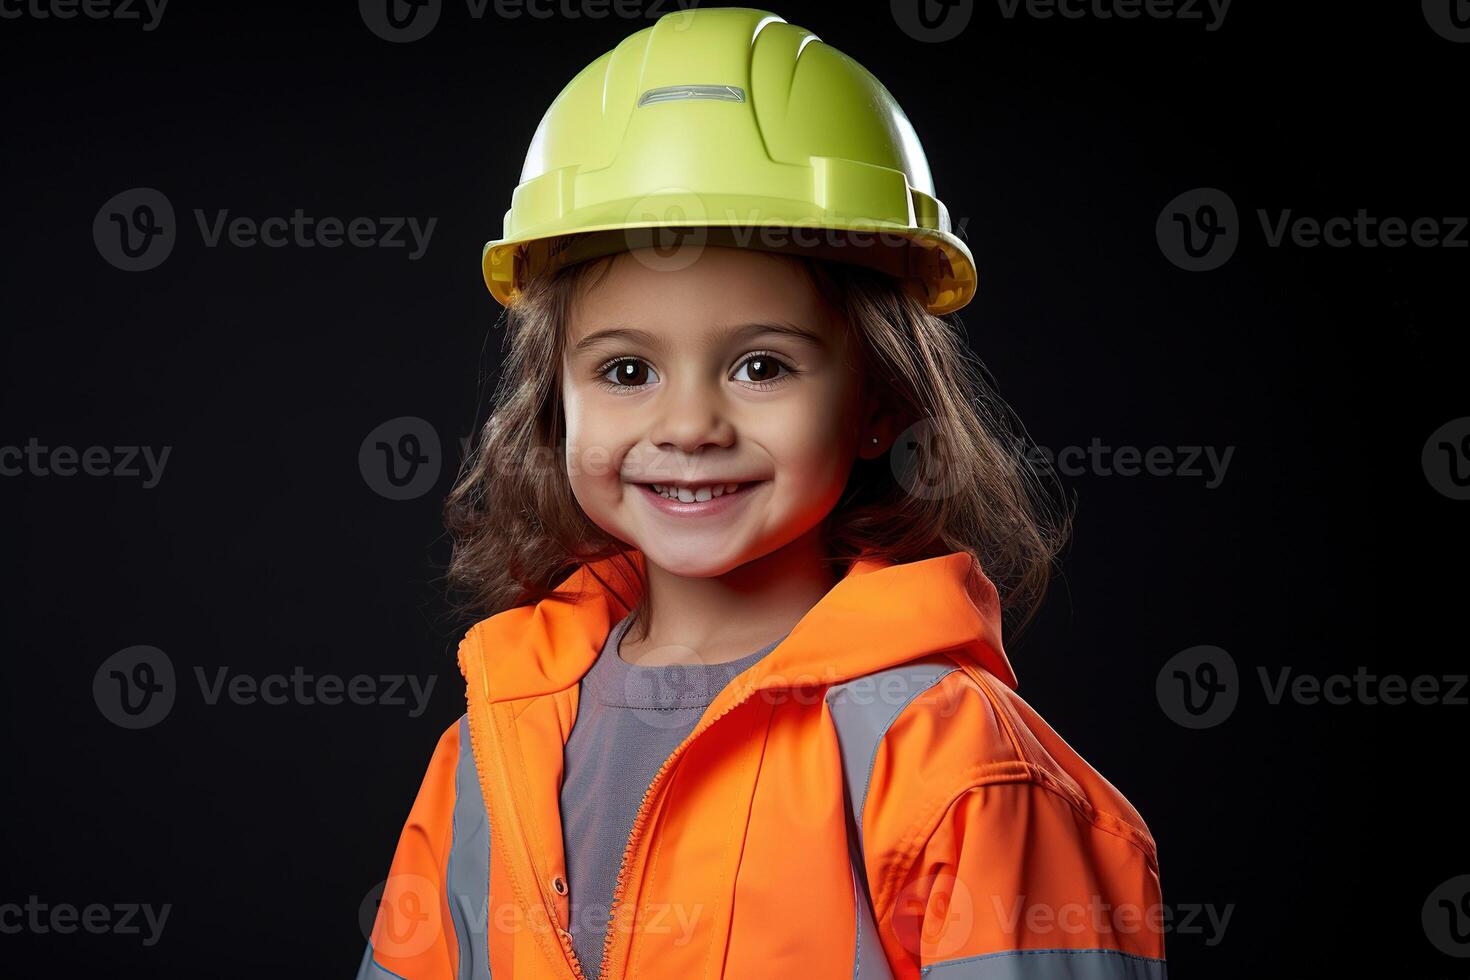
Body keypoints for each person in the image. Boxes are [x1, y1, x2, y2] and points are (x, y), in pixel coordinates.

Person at [357, 7, 1166, 979]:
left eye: (760, 365)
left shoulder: (959, 765)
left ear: (877, 400)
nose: (689, 424)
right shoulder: (489, 748)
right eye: (625, 371)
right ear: (555, 399)